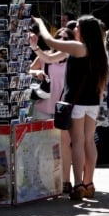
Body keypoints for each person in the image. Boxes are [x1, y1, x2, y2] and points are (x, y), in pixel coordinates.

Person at [30, 15, 109, 200]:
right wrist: (35, 47)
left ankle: (78, 184)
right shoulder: (98, 50)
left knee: (77, 142)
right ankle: (89, 182)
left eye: (77, 27)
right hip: (92, 103)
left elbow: (50, 42)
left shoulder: (78, 47)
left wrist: (41, 23)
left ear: (84, 31)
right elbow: (48, 58)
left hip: (77, 102)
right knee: (89, 141)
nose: (74, 29)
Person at [29, 27, 76, 193]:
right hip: (43, 105)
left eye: (66, 38)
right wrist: (37, 73)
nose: (62, 40)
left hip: (63, 108)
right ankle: (41, 181)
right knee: (42, 145)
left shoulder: (73, 58)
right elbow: (30, 69)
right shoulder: (45, 56)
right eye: (59, 37)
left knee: (64, 145)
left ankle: (65, 181)